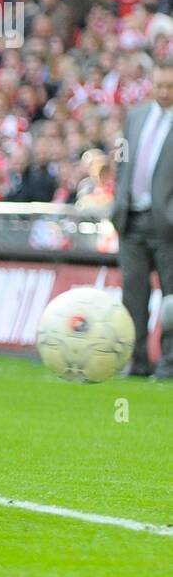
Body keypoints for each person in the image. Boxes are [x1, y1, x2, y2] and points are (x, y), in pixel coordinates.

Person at [110, 55, 173, 379]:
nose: (164, 91)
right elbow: (123, 161)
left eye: (170, 86)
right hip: (131, 220)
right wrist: (118, 200)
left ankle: (169, 364)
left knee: (171, 298)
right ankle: (136, 362)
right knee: (133, 295)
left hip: (167, 225)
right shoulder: (136, 117)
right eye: (160, 85)